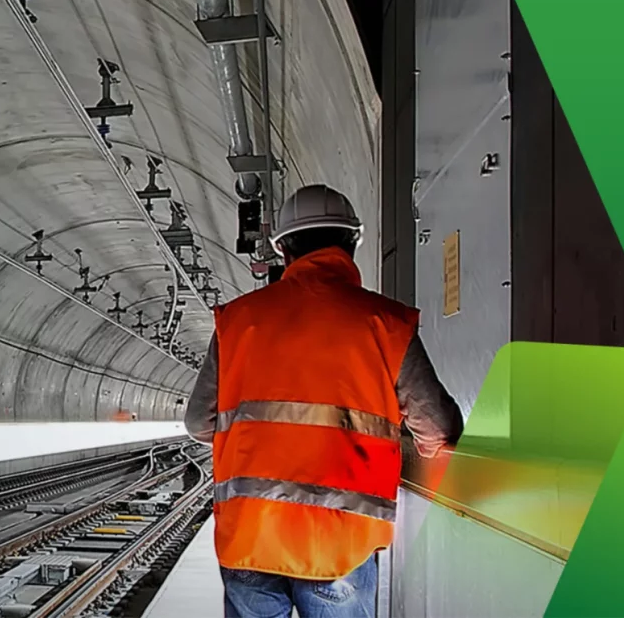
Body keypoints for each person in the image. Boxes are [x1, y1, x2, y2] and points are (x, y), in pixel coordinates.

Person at [185, 185, 465, 618]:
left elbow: (198, 423)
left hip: (250, 536)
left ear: (283, 251)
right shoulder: (385, 324)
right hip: (338, 542)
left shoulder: (238, 322)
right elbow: (438, 426)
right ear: (351, 243)